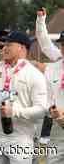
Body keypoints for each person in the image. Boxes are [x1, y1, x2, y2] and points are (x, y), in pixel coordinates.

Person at [0, 32, 48, 164]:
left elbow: (41, 110)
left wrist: (15, 112)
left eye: (9, 45)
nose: (4, 48)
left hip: (21, 139)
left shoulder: (34, 75)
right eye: (4, 45)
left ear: (22, 48)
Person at [44, 30, 64, 164]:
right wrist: (52, 110)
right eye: (63, 44)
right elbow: (45, 97)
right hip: (57, 129)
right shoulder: (51, 69)